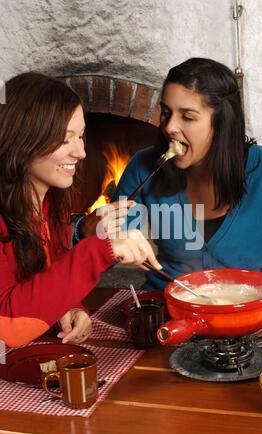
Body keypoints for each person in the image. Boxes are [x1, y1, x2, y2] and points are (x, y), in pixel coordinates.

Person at [76, 58, 262, 296]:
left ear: (222, 122)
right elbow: (111, 252)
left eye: (187, 117)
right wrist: (87, 234)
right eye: (165, 112)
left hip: (243, 307)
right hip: (166, 302)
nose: (169, 126)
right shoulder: (143, 167)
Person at [0, 72, 161, 348]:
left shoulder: (49, 203)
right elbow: (6, 329)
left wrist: (71, 308)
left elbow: (46, 278)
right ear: (22, 142)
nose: (81, 152)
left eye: (82, 136)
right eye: (65, 139)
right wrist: (101, 249)